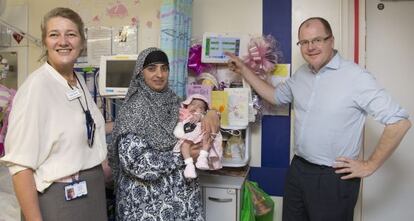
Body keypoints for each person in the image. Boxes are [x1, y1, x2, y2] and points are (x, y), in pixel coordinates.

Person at [226, 17, 411, 221]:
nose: (310, 47)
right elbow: (274, 96)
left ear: (331, 40)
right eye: (304, 42)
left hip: (334, 178)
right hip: (298, 169)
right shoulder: (301, 75)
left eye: (317, 40)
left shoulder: (356, 77)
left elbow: (399, 122)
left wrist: (369, 165)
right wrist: (244, 69)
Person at [0, 7, 107, 221]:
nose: (63, 41)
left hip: (91, 194)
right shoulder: (36, 88)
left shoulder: (76, 82)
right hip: (61, 201)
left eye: (71, 34)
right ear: (45, 42)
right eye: (54, 34)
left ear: (82, 41)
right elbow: (21, 167)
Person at [108, 47, 220, 221]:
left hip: (183, 204)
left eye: (164, 68)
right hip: (147, 206)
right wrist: (182, 156)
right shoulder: (133, 109)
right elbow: (138, 164)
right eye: (152, 68)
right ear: (140, 72)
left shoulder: (176, 102)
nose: (159, 74)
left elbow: (197, 121)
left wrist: (212, 113)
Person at [173, 94, 223, 178]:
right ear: (187, 105)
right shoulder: (184, 115)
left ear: (204, 111)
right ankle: (189, 166)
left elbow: (208, 118)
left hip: (201, 133)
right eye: (193, 104)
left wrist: (201, 116)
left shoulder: (201, 116)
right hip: (188, 135)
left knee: (207, 141)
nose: (196, 107)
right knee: (184, 146)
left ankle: (202, 158)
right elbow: (180, 123)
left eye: (200, 107)